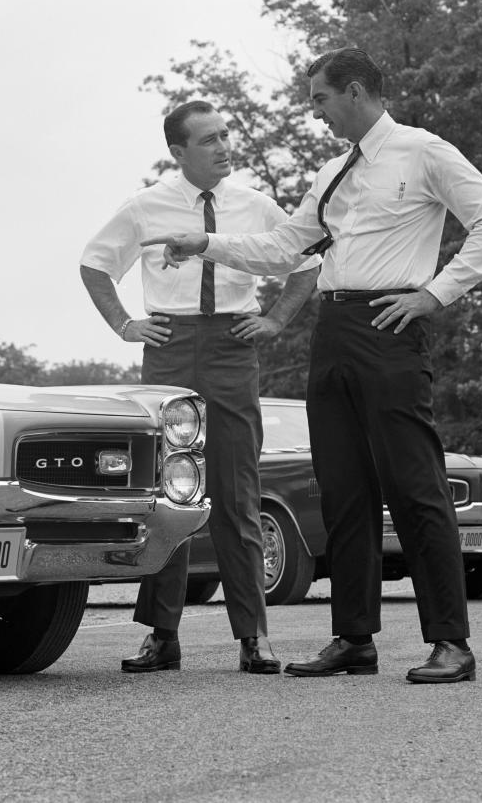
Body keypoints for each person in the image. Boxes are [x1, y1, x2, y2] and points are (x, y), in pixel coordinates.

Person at [142, 48, 482, 684]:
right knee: (344, 490)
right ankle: (354, 638)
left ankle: (450, 643)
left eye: (320, 98)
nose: (315, 111)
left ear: (354, 92)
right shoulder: (333, 170)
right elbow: (283, 246)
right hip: (334, 329)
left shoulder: (424, 151)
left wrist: (435, 294)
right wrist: (207, 243)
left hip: (389, 326)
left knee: (415, 488)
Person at [80, 100, 320, 674]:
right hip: (169, 347)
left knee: (238, 492)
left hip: (232, 347)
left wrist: (276, 319)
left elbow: (306, 263)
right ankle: (163, 636)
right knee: (170, 493)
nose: (223, 146)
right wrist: (125, 324)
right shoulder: (146, 207)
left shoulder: (255, 205)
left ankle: (253, 637)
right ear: (178, 151)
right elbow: (93, 263)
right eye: (209, 139)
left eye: (226, 135)